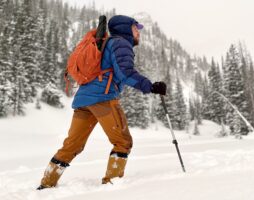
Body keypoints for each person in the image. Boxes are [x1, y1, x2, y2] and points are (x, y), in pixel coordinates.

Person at [37, 15, 167, 190]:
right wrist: (150, 86)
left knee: (72, 144)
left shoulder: (108, 43)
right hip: (103, 99)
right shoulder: (121, 43)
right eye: (136, 28)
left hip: (84, 100)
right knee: (122, 142)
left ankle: (47, 183)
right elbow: (125, 73)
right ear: (126, 28)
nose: (139, 32)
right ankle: (112, 185)